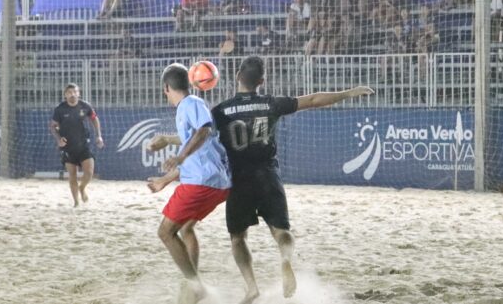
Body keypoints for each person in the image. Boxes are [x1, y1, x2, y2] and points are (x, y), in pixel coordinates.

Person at [152, 57, 373, 303]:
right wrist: (349, 92)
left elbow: (202, 136)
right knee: (281, 231)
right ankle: (286, 260)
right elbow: (312, 99)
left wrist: (169, 144)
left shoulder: (221, 111)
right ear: (261, 81)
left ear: (237, 77)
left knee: (238, 238)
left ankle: (251, 287)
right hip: (267, 174)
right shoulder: (270, 104)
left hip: (238, 179)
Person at [147, 63, 231, 304]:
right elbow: (197, 140)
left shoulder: (192, 103)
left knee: (165, 232)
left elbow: (203, 131)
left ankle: (196, 286)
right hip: (214, 182)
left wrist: (179, 157)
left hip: (203, 183)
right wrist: (166, 175)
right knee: (186, 228)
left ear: (166, 88)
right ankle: (192, 286)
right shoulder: (189, 106)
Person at [49, 83, 104, 207]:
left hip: (84, 145)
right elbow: (52, 126)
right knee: (72, 175)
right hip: (68, 147)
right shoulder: (60, 109)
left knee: (89, 172)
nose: (72, 94)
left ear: (79, 93)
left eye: (75, 92)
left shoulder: (85, 106)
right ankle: (76, 202)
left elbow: (94, 119)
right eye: (69, 92)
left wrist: (98, 135)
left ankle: (82, 188)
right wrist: (58, 139)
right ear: (65, 95)